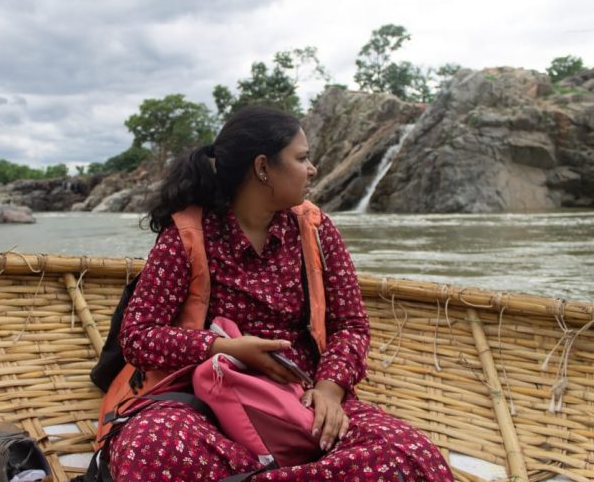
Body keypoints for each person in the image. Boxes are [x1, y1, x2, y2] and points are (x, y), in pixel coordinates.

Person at [109, 105, 454, 481]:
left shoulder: (316, 230)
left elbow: (351, 326)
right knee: (147, 446)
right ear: (262, 168)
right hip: (207, 403)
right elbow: (137, 337)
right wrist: (223, 348)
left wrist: (329, 390)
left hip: (303, 399)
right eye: (302, 158)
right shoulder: (187, 236)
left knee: (412, 456)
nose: (313, 169)